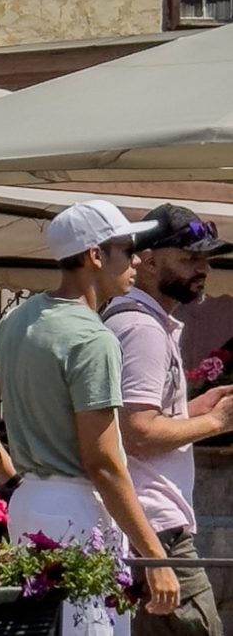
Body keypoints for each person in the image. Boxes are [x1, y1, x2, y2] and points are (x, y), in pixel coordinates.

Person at [0, 200, 178, 635]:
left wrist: (12, 479)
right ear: (95, 255)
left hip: (30, 505)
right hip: (79, 511)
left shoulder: (20, 319)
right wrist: (155, 557)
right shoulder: (93, 338)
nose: (136, 261)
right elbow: (103, 463)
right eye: (127, 250)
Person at [103, 205, 233, 636]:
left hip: (144, 523)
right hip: (156, 525)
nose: (203, 268)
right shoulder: (142, 330)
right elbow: (137, 433)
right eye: (189, 257)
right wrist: (217, 422)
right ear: (149, 261)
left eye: (205, 258)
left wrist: (193, 411)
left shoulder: (136, 321)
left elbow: (130, 421)